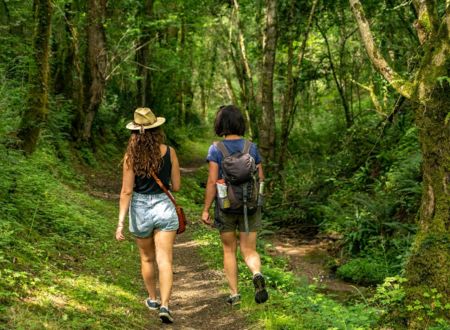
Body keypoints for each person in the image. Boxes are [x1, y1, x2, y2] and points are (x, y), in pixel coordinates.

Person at [115, 107, 181, 324]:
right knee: (165, 260)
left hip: (140, 209)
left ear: (135, 132)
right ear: (157, 129)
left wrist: (120, 224)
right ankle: (165, 305)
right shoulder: (169, 152)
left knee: (147, 258)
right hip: (164, 206)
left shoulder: (130, 156)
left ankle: (152, 298)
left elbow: (126, 191)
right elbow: (177, 186)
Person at [201, 105, 269, 306]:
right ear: (240, 123)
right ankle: (256, 273)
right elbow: (261, 177)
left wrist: (206, 209)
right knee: (249, 249)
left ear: (220, 124)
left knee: (229, 250)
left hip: (226, 206)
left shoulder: (216, 149)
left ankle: (234, 295)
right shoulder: (251, 148)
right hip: (250, 206)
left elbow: (213, 182)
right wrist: (257, 201)